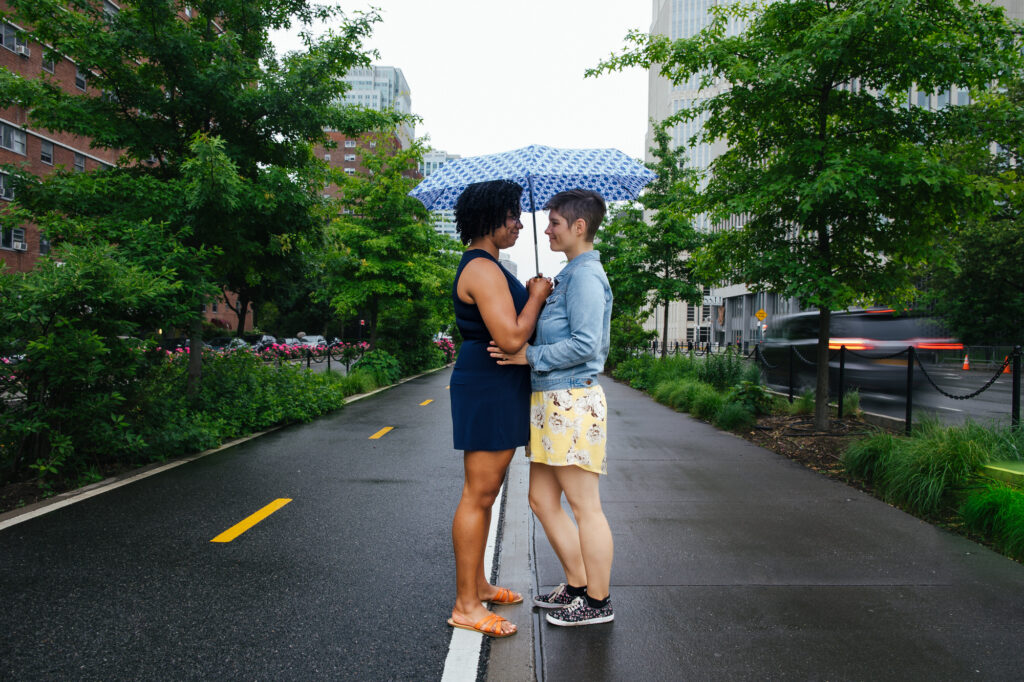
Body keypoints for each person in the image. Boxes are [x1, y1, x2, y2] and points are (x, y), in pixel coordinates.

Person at [490, 188, 615, 627]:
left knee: (585, 506)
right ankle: (578, 586)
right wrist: (538, 296)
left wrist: (531, 357)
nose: (546, 230)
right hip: (550, 401)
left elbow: (587, 344)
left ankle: (598, 602)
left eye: (554, 223)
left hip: (572, 399)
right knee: (542, 500)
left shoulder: (584, 277)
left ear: (579, 227)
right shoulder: (568, 276)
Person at [447, 179, 553, 638]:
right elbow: (511, 338)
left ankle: (480, 586)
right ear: (491, 218)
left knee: (486, 494)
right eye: (512, 215)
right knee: (479, 492)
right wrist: (536, 296)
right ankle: (466, 605)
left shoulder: (489, 265)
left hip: (498, 381)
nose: (519, 223)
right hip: (488, 381)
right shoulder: (482, 269)